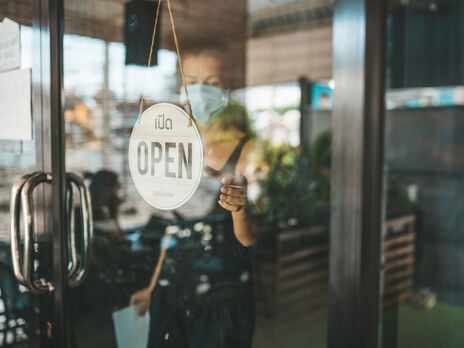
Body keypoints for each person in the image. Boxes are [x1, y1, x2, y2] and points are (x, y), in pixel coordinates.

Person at [130, 48, 261, 348]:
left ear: (227, 90)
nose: (200, 91)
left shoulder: (245, 150)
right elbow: (171, 227)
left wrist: (238, 208)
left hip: (220, 300)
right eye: (191, 82)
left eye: (211, 82)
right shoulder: (176, 148)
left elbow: (250, 237)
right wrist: (152, 288)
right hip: (172, 294)